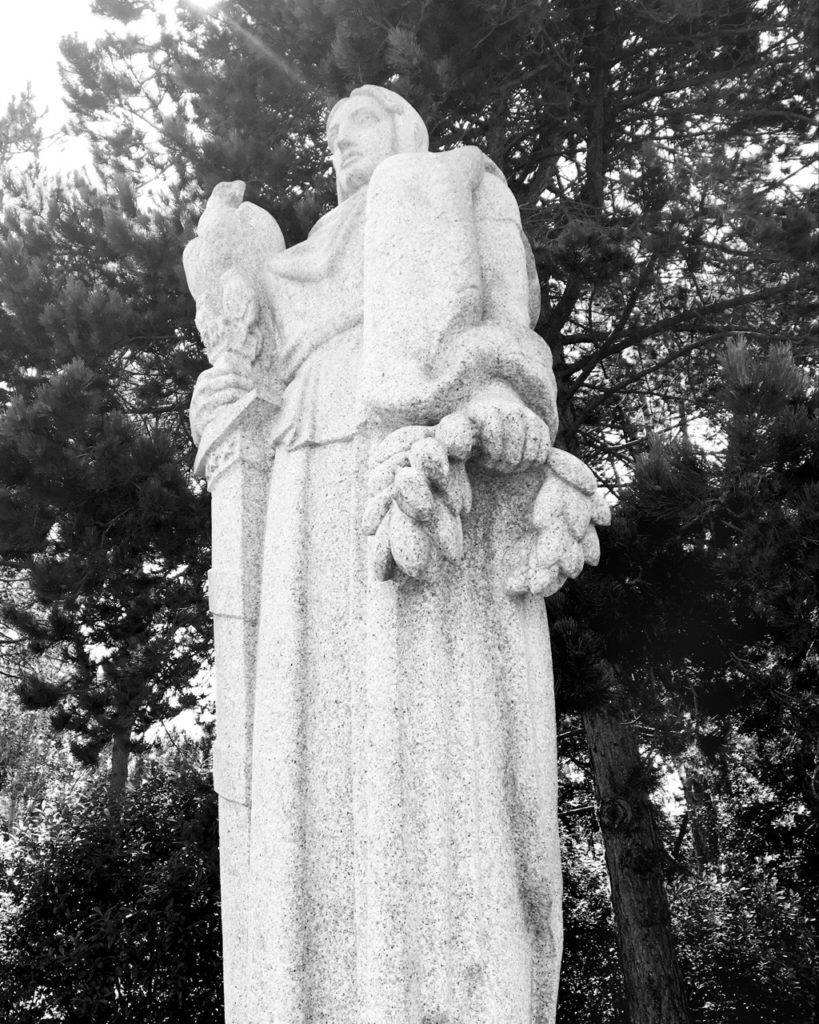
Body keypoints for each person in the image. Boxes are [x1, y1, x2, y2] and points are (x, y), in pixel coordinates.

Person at [189, 85, 601, 1024]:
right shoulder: (296, 267)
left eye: (358, 126)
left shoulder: (451, 185)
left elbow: (509, 337)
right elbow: (243, 368)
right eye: (328, 136)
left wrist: (486, 409)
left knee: (426, 707)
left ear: (405, 128)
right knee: (311, 721)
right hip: (305, 478)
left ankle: (444, 980)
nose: (339, 145)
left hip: (414, 463)